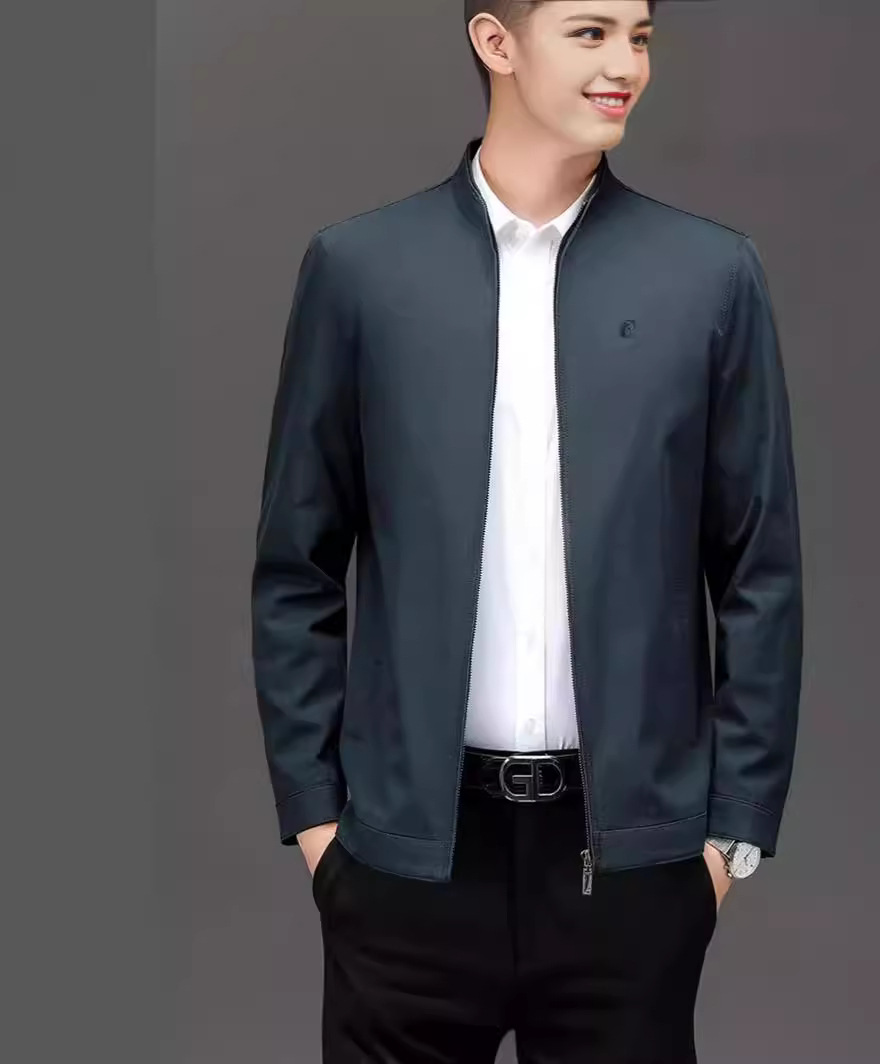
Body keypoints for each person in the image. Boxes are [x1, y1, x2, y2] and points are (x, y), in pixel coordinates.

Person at [250, 2, 803, 1060]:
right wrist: (320, 826)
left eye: (639, 36)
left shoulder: (709, 276)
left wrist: (728, 840)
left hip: (631, 874)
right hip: (404, 866)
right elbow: (296, 566)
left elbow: (759, 573)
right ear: (494, 42)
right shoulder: (361, 269)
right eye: (590, 32)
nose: (625, 64)